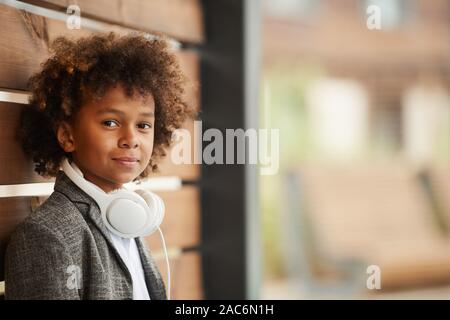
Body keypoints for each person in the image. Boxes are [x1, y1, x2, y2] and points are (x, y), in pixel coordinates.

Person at [4, 32, 193, 300]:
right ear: (68, 136)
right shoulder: (46, 237)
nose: (131, 139)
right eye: (110, 123)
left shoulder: (129, 221)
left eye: (143, 125)